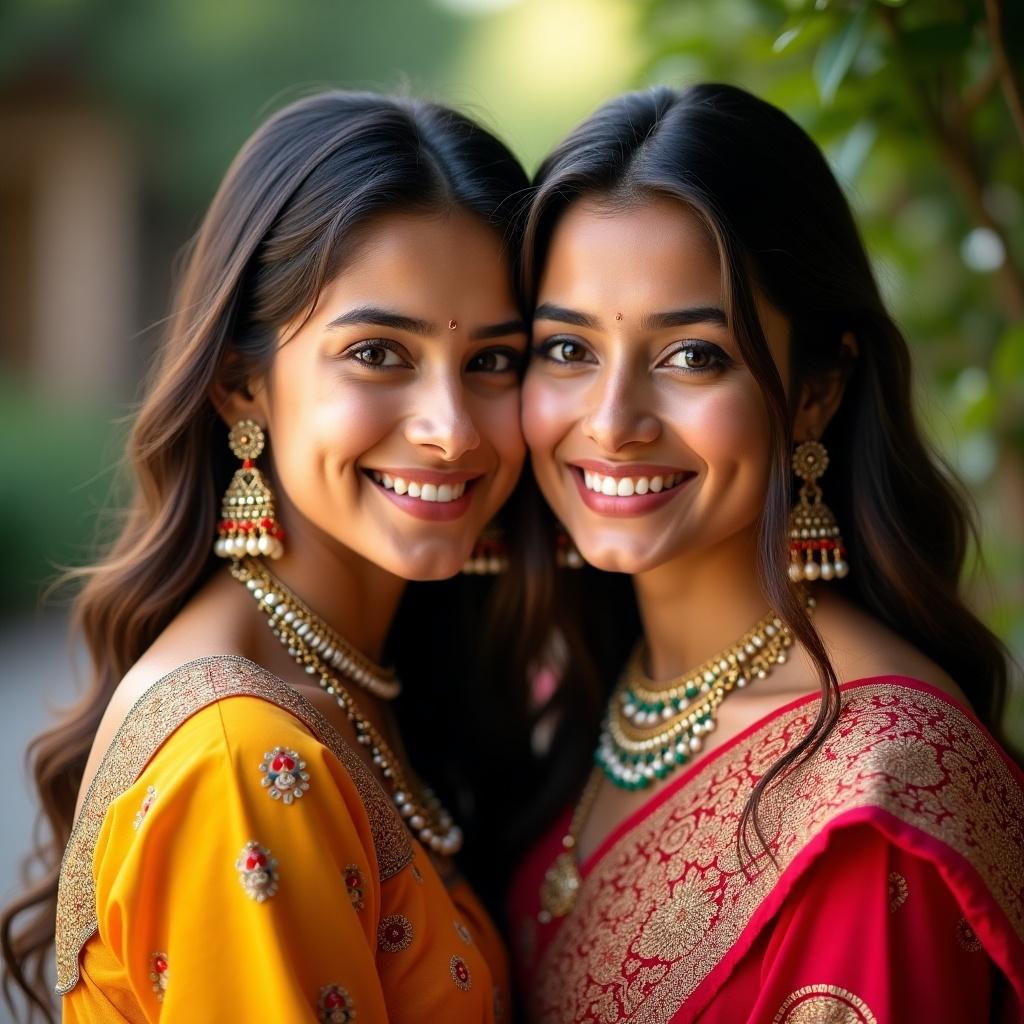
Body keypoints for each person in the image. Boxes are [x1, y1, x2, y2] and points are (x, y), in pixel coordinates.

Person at [1, 90, 530, 1022]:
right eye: (378, 353)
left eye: (494, 362)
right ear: (244, 386)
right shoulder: (241, 759)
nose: (451, 432)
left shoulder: (368, 672)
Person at [505, 83, 1024, 1023]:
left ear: (818, 390)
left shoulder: (870, 800)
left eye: (693, 356)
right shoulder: (575, 697)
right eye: (567, 349)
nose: (613, 423)